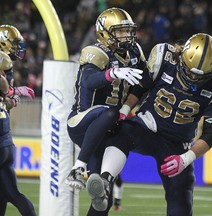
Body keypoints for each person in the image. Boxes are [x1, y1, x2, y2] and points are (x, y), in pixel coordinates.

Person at [86, 33, 212, 215]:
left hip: (177, 144)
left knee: (181, 196)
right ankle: (106, 180)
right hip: (147, 125)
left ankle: (106, 182)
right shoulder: (165, 57)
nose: (193, 80)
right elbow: (141, 87)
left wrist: (186, 158)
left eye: (200, 76)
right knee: (120, 131)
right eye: (190, 72)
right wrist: (124, 110)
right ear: (181, 58)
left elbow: (211, 131)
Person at [65, 7, 147, 215]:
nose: (126, 36)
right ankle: (77, 169)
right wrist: (112, 72)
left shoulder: (134, 51)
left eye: (127, 30)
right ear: (105, 33)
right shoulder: (96, 52)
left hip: (106, 131)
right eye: (120, 31)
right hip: (83, 123)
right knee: (109, 112)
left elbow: (143, 82)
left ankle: (98, 184)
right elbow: (90, 81)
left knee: (103, 199)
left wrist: (127, 107)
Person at [0, 24, 36, 216]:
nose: (17, 48)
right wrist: (12, 95)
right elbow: (6, 98)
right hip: (5, 144)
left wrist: (11, 93)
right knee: (11, 194)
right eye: (14, 43)